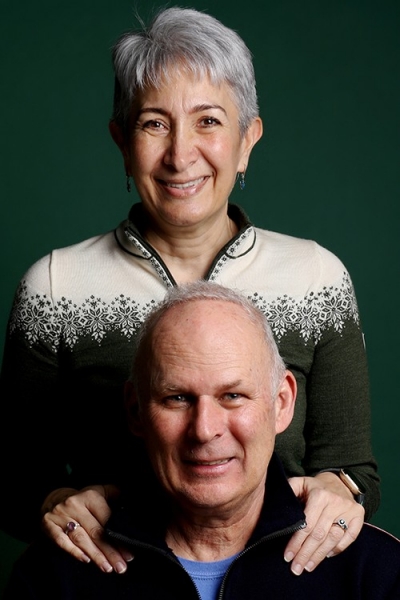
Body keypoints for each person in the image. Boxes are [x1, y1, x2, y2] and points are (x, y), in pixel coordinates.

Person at [0, 5, 378, 580]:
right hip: (116, 584)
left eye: (208, 121)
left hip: (285, 582)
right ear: (122, 142)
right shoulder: (55, 286)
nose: (180, 154)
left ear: (248, 139)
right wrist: (56, 503)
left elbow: (357, 472)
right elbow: (14, 483)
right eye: (154, 123)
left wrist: (336, 489)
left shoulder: (316, 278)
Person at [3, 282, 399, 599]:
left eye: (233, 396)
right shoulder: (54, 577)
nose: (204, 429)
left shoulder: (374, 572)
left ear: (282, 404)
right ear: (136, 410)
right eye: (177, 398)